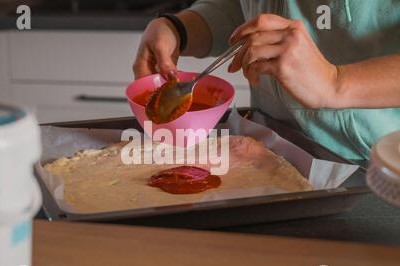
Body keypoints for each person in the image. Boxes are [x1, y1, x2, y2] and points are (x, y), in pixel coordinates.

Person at [132, 0, 400, 160]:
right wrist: (178, 28)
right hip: (268, 154)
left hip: (376, 172)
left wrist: (335, 82)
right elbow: (241, 9)